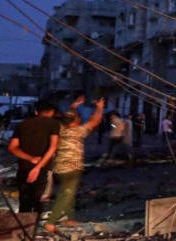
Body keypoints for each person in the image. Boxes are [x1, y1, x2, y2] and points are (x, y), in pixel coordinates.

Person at [45, 95, 105, 231]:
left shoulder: (60, 129)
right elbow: (94, 121)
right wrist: (99, 108)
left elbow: (70, 116)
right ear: (77, 120)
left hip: (59, 167)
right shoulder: (78, 131)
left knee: (68, 193)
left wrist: (74, 105)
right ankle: (51, 221)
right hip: (72, 167)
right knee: (66, 194)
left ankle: (70, 218)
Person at [8, 100, 62, 214]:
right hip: (43, 168)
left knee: (24, 201)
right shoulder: (53, 124)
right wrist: (38, 167)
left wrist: (30, 158)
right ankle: (33, 228)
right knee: (39, 201)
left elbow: (12, 147)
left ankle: (22, 228)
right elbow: (53, 147)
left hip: (24, 167)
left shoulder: (22, 124)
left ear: (36, 112)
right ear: (52, 112)